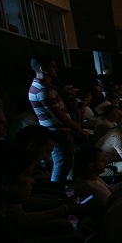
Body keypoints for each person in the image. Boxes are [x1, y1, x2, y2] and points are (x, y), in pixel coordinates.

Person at [28, 55, 82, 185]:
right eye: (53, 66)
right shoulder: (43, 90)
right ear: (43, 69)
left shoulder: (40, 87)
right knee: (62, 166)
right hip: (58, 132)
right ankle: (56, 191)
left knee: (63, 165)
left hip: (56, 131)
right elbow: (59, 115)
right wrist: (75, 126)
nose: (56, 69)